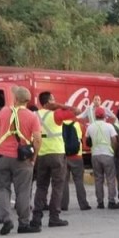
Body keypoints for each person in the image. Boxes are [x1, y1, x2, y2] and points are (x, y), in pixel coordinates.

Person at [0, 87, 41, 234]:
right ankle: (24, 224)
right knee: (23, 191)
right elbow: (37, 139)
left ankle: (6, 219)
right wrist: (34, 157)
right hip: (22, 158)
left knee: (3, 188)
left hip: (3, 156)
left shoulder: (3, 112)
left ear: (15, 99)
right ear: (28, 100)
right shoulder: (32, 117)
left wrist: (1, 147)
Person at [33, 92, 76, 228]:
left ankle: (36, 217)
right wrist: (59, 105)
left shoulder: (34, 115)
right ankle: (54, 217)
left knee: (41, 186)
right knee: (57, 186)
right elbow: (76, 111)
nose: (55, 101)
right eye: (53, 99)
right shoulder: (56, 114)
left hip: (41, 154)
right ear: (48, 102)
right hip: (57, 153)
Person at [86, 108, 119, 210]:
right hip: (108, 154)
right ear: (105, 116)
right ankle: (111, 201)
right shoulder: (109, 126)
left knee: (98, 179)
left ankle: (100, 202)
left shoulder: (90, 127)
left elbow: (88, 141)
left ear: (95, 116)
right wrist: (113, 150)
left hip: (95, 155)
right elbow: (114, 140)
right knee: (110, 178)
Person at [61, 117, 92, 213]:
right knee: (79, 181)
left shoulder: (59, 125)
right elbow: (82, 137)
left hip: (64, 156)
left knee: (64, 181)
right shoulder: (79, 125)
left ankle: (63, 205)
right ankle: (83, 204)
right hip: (77, 156)